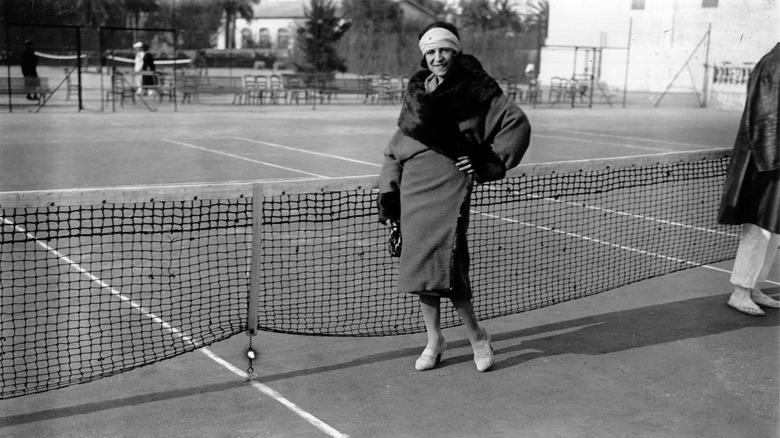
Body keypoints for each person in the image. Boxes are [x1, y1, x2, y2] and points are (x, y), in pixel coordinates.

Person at [378, 21, 531, 372]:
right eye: (430, 52)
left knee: (451, 269)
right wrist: (390, 196)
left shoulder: (478, 89)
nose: (437, 58)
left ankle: (477, 336)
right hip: (413, 197)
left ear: (456, 51)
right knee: (420, 274)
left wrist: (486, 161)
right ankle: (435, 340)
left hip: (449, 193)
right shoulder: (418, 94)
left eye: (444, 50)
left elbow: (517, 125)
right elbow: (393, 150)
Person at [718, 43, 780, 316]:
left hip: (773, 162)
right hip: (765, 164)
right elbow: (765, 117)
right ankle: (740, 292)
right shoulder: (775, 64)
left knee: (773, 229)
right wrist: (771, 163)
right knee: (758, 229)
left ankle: (753, 287)